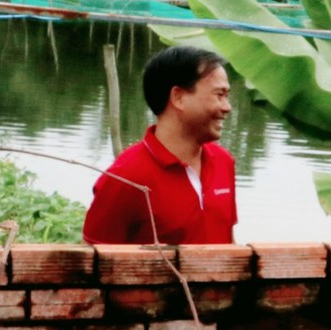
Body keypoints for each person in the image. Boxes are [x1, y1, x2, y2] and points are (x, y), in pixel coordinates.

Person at [83, 45, 238, 244]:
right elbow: (92, 260)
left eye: (227, 96)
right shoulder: (126, 176)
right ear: (178, 97)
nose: (227, 107)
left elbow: (227, 241)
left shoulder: (223, 162)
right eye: (219, 95)